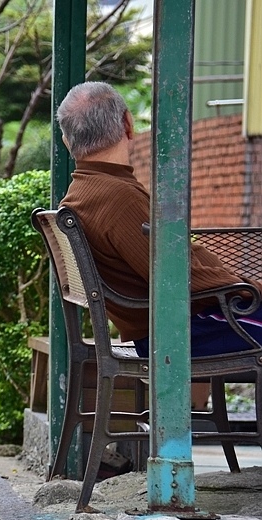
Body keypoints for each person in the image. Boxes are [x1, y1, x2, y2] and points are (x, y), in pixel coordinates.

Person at [56, 81, 262, 357]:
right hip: (179, 331)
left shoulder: (85, 191)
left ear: (67, 140)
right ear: (127, 124)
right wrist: (251, 288)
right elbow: (178, 277)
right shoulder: (118, 197)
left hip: (168, 325)